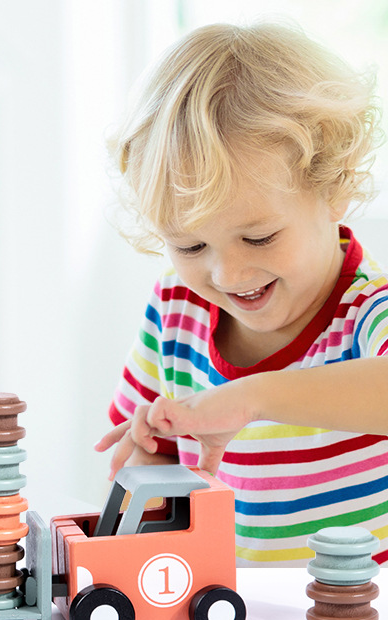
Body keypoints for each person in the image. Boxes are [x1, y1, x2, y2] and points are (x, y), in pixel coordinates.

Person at [94, 21, 388, 566]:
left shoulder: (369, 309)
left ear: (335, 187)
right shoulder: (176, 309)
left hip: (358, 613)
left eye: (259, 237)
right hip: (232, 609)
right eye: (189, 245)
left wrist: (251, 396)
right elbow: (153, 465)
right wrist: (151, 464)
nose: (227, 274)